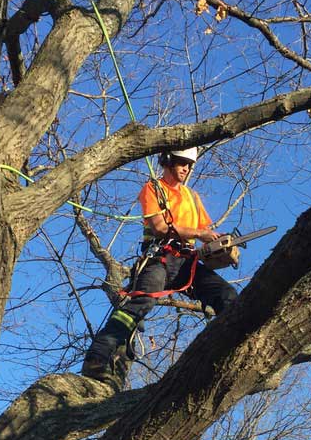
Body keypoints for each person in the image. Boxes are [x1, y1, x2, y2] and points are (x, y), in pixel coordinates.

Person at [81, 147, 237, 388]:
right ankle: (97, 357)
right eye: (181, 162)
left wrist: (221, 246)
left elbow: (206, 232)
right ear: (167, 161)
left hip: (188, 262)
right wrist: (199, 234)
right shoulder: (154, 188)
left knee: (226, 295)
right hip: (160, 258)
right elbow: (160, 228)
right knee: (141, 302)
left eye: (189, 164)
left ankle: (231, 349)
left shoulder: (193, 198)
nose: (186, 168)